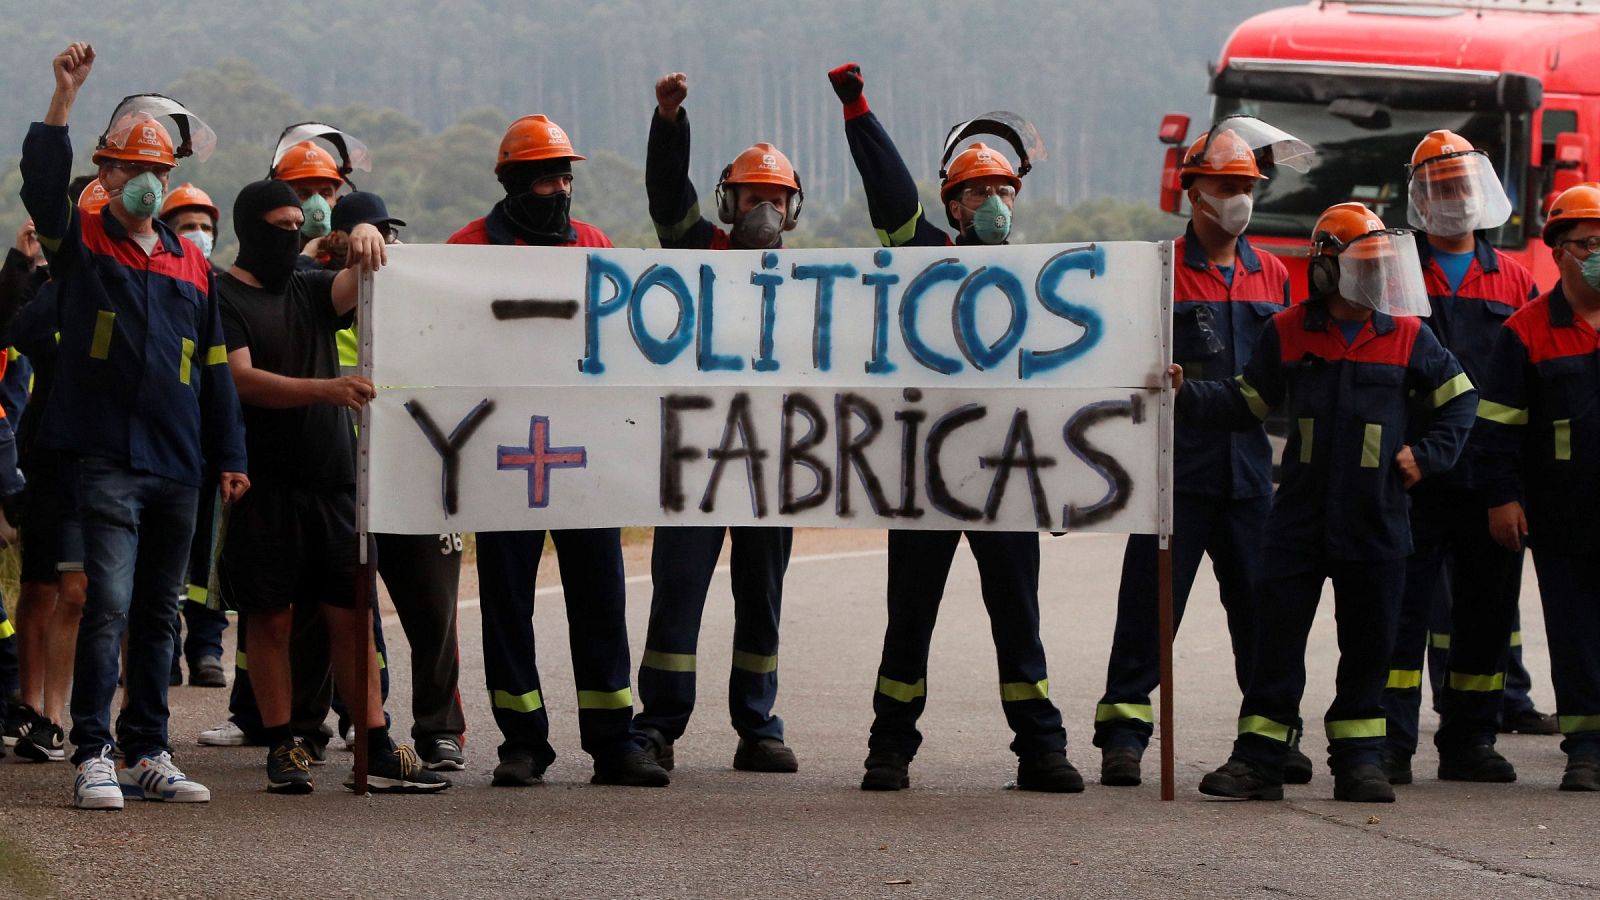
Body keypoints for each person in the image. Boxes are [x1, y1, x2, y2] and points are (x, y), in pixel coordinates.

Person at [828, 61, 1079, 793]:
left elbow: (1066, 389)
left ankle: (1041, 748)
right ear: (954, 204)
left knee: (1018, 620)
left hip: (1007, 479)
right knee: (908, 619)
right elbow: (889, 193)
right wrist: (858, 110)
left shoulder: (1042, 282)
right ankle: (890, 748)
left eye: (1005, 190)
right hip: (926, 477)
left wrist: (1060, 482)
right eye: (980, 192)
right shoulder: (922, 256)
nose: (995, 201)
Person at [1183, 202, 1475, 803]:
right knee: (1275, 644)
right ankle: (1261, 760)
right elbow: (1245, 403)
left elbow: (1461, 399)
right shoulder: (1287, 330)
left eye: (1379, 264)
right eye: (1361, 264)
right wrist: (1181, 390)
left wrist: (1429, 455)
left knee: (1369, 646)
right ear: (1325, 269)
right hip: (1298, 519)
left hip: (1377, 520)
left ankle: (1360, 761)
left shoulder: (1409, 336)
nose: (1375, 277)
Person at [21, 43, 249, 810]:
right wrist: (63, 98)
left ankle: (150, 749)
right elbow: (44, 186)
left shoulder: (191, 263)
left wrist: (231, 453)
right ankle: (94, 751)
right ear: (109, 175)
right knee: (109, 603)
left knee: (159, 613)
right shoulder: (83, 246)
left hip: (180, 462)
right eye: (132, 170)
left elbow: (215, 365)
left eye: (159, 172)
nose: (149, 183)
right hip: (108, 457)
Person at [447, 114, 668, 788]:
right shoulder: (466, 249)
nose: (561, 187)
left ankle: (613, 741)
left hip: (583, 458)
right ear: (515, 182)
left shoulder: (592, 244)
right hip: (503, 456)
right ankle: (523, 742)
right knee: (507, 602)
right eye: (548, 176)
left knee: (600, 597)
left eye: (567, 175)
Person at [1094, 122, 1314, 787]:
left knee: (1260, 616)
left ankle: (1273, 738)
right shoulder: (1158, 269)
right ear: (1195, 193)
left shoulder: (1272, 272)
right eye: (1227, 186)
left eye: (1247, 187)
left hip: (1249, 477)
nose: (1240, 199)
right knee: (1148, 613)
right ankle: (1124, 736)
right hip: (1173, 476)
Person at [216, 178, 445, 794]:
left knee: (352, 616)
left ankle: (373, 738)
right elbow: (242, 379)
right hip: (264, 484)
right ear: (249, 228)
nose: (292, 234)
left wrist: (364, 232)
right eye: (280, 225)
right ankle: (284, 741)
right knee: (270, 618)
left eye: (299, 225)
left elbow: (351, 285)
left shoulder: (309, 285)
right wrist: (329, 390)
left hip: (333, 481)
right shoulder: (223, 295)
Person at [631, 71, 798, 775]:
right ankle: (661, 722)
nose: (762, 207)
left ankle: (758, 726)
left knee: (760, 600)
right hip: (696, 459)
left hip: (773, 465)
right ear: (729, 202)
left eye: (775, 199)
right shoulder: (698, 249)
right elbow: (668, 196)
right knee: (679, 591)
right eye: (753, 196)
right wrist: (671, 123)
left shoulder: (824, 286)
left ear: (792, 213)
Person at [1380, 130, 1538, 785]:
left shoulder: (1515, 279)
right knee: (1398, 615)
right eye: (1439, 187)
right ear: (1420, 196)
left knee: (1485, 616)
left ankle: (1470, 741)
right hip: (1412, 476)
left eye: (1460, 185)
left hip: (1488, 480)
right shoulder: (1391, 268)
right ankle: (1387, 743)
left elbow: (1533, 388)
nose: (1452, 197)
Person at [326, 190, 469, 772]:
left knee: (434, 614)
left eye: (388, 237)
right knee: (338, 612)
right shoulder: (316, 299)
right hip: (341, 481)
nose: (383, 249)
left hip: (416, 479)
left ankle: (440, 729)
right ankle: (349, 724)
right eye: (369, 238)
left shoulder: (426, 304)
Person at [1474, 182, 1600, 793]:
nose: (1599, 252)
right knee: (1575, 632)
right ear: (1558, 250)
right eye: (1588, 243)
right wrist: (1502, 496)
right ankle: (1587, 750)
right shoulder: (1525, 331)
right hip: (1563, 512)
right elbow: (1497, 429)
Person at [5, 178, 96, 764]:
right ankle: (32, 707)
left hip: (111, 459)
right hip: (48, 457)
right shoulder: (46, 287)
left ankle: (67, 712)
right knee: (40, 585)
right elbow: (13, 328)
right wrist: (25, 262)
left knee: (82, 591)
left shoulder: (141, 280)